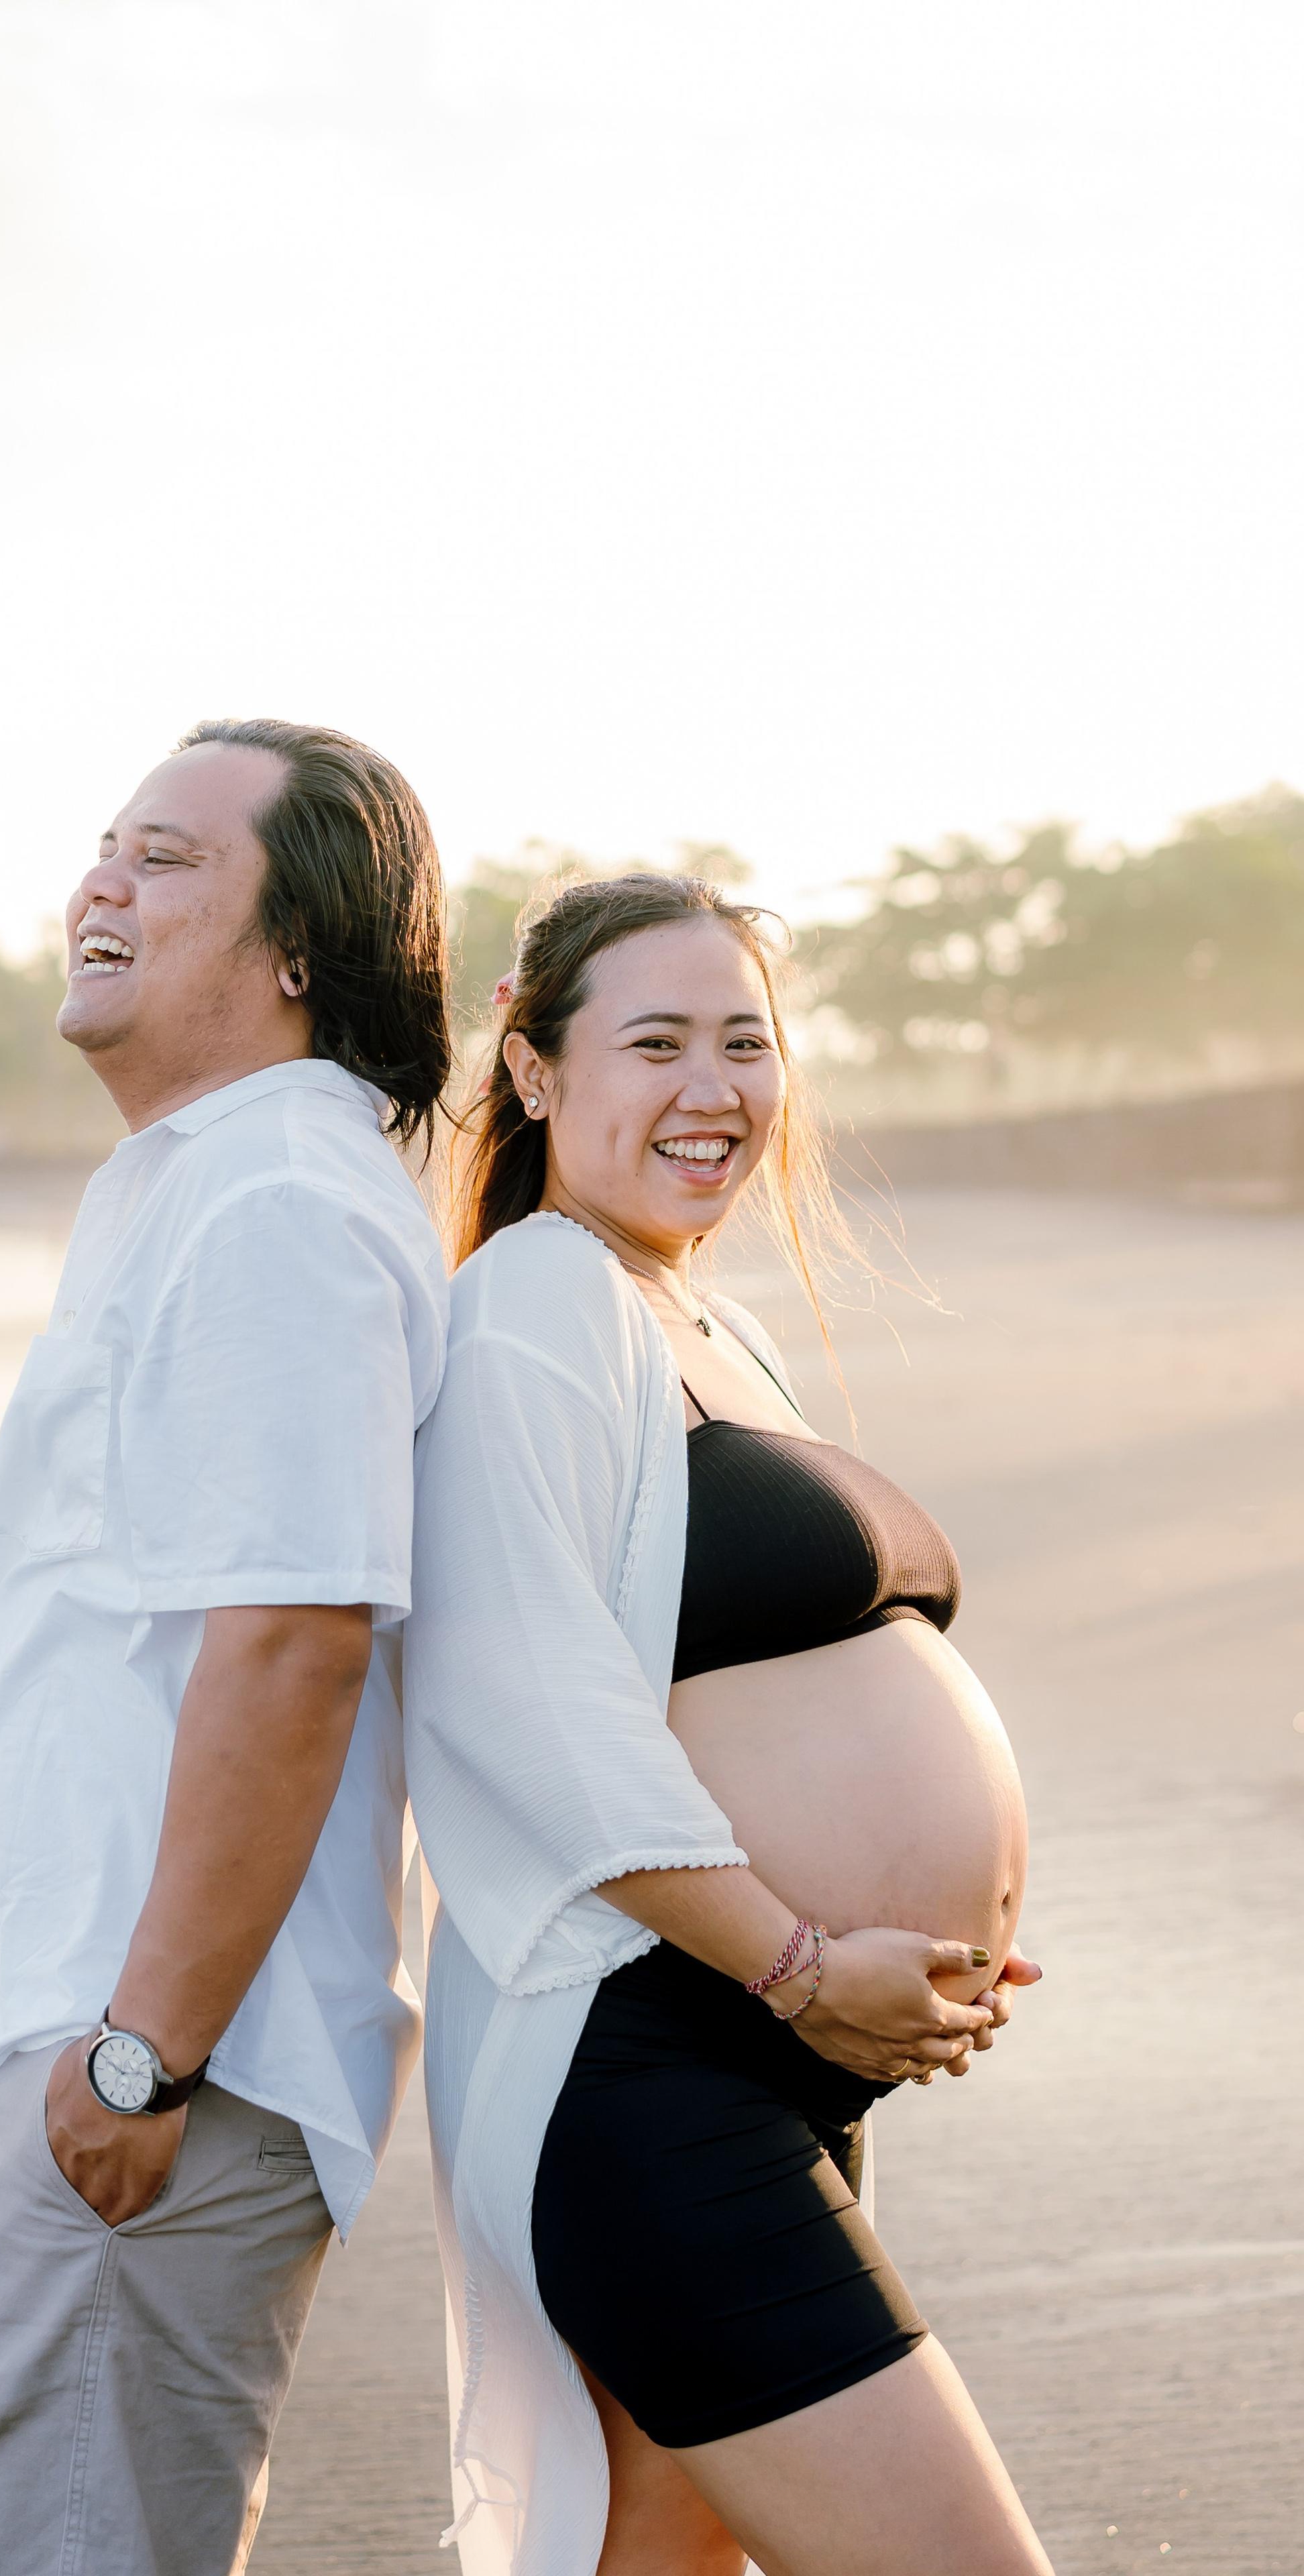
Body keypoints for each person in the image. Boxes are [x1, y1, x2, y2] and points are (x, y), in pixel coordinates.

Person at [0, 718, 453, 2576]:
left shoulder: (272, 1204)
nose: (101, 881)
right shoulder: (204, 1184)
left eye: (169, 857)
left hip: (160, 2075)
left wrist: (139, 2061)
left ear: (298, 957)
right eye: (106, 844)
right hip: (128, 2054)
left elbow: (294, 1642)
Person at [404, 871, 1050, 2576]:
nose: (714, 1090)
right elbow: (518, 1705)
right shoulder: (532, 1304)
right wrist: (790, 1963)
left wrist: (902, 1952)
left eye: (746, 1044)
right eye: (656, 1042)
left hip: (760, 2044)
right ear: (534, 1072)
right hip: (642, 2064)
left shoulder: (701, 1319)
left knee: (666, 2560)